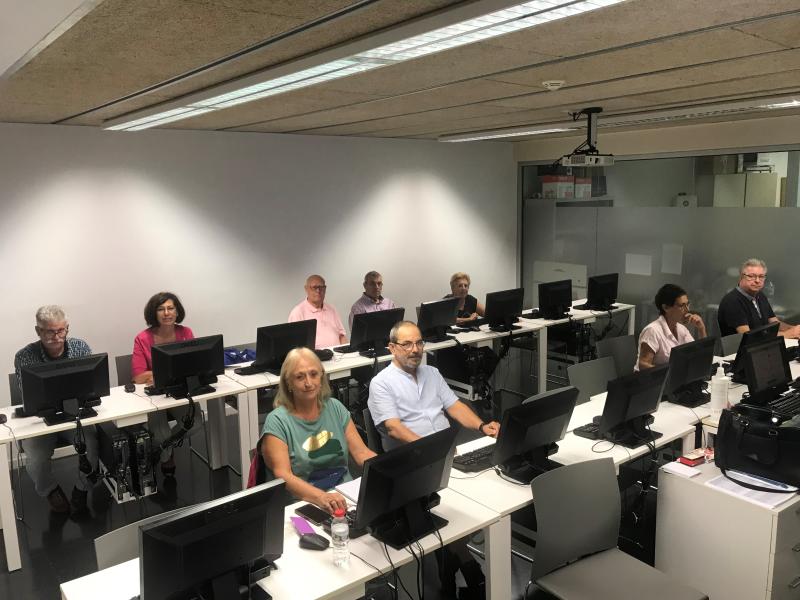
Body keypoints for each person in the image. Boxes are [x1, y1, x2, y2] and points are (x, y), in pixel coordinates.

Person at [368, 321, 499, 598]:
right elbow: (393, 428)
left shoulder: (432, 373)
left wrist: (482, 426)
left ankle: (454, 560)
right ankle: (467, 565)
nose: (415, 349)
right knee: (454, 509)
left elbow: (455, 407)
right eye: (406, 344)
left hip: (444, 454)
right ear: (392, 348)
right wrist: (431, 450)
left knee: (479, 497)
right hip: (410, 464)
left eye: (419, 343)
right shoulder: (381, 383)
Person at [260, 347, 375, 512]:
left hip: (345, 495)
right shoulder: (277, 421)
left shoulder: (335, 407)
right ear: (288, 383)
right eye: (300, 377)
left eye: (313, 374)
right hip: (303, 503)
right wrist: (322, 497)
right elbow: (283, 475)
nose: (309, 383)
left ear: (321, 376)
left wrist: (388, 469)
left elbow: (361, 453)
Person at [13, 305, 98, 514]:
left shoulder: (80, 348)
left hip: (74, 414)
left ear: (67, 328)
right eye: (49, 332)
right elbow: (28, 394)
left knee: (91, 442)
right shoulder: (25, 356)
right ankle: (49, 489)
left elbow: (90, 383)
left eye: (60, 330)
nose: (56, 336)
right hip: (40, 418)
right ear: (38, 331)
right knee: (35, 454)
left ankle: (82, 487)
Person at [130, 292, 195, 476]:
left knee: (195, 423)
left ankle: (161, 448)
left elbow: (194, 363)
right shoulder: (142, 338)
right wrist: (168, 372)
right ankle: (166, 456)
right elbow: (138, 377)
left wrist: (157, 373)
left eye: (170, 308)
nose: (166, 313)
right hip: (155, 395)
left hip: (180, 391)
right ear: (154, 313)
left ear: (177, 311)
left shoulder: (186, 333)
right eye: (161, 309)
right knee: (160, 433)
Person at [717, 258, 800, 338]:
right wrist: (788, 334)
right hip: (741, 347)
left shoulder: (760, 295)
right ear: (741, 277)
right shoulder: (732, 301)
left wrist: (794, 329)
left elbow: (775, 323)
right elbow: (748, 337)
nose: (757, 280)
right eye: (751, 276)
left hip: (763, 344)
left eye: (761, 276)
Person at [636, 284, 707, 371]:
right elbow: (643, 365)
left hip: (675, 376)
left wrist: (701, 329)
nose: (687, 310)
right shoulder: (652, 330)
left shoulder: (682, 329)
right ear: (666, 307)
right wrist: (671, 372)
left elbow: (699, 356)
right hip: (654, 379)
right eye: (681, 306)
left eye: (687, 304)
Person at [288, 274, 347, 349]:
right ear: (306, 289)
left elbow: (342, 336)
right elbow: (296, 347)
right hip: (314, 356)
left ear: (325, 289)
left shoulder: (332, 310)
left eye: (321, 287)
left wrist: (347, 353)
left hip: (338, 354)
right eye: (314, 287)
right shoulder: (298, 312)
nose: (318, 291)